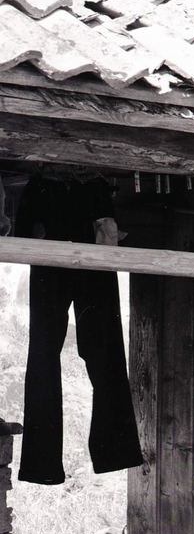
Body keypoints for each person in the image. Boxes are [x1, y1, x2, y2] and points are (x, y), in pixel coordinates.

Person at [13, 171, 143, 485]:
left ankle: (107, 453)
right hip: (54, 214)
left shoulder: (91, 190)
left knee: (100, 349)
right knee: (49, 352)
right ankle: (48, 463)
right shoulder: (49, 188)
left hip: (80, 211)